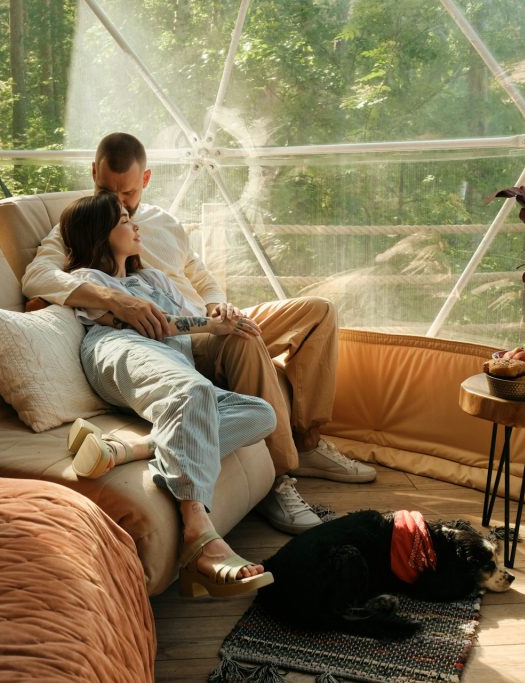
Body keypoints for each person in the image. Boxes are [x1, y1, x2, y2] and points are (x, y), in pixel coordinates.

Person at [23, 132, 376, 535]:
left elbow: (200, 275)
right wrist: (119, 300)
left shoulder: (162, 223)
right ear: (93, 175)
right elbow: (38, 276)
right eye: (108, 191)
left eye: (129, 194)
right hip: (179, 336)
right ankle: (278, 478)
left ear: (147, 179)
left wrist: (215, 306)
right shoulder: (84, 223)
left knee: (316, 312)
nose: (120, 203)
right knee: (242, 339)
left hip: (201, 318)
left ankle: (307, 441)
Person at [60, 191, 277, 598]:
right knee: (192, 391)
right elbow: (155, 326)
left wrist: (220, 316)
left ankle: (126, 450)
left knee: (261, 414)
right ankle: (200, 534)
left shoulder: (154, 278)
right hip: (120, 351)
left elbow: (188, 325)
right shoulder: (89, 282)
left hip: (171, 365)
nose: (135, 225)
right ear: (99, 232)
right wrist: (210, 327)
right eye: (124, 219)